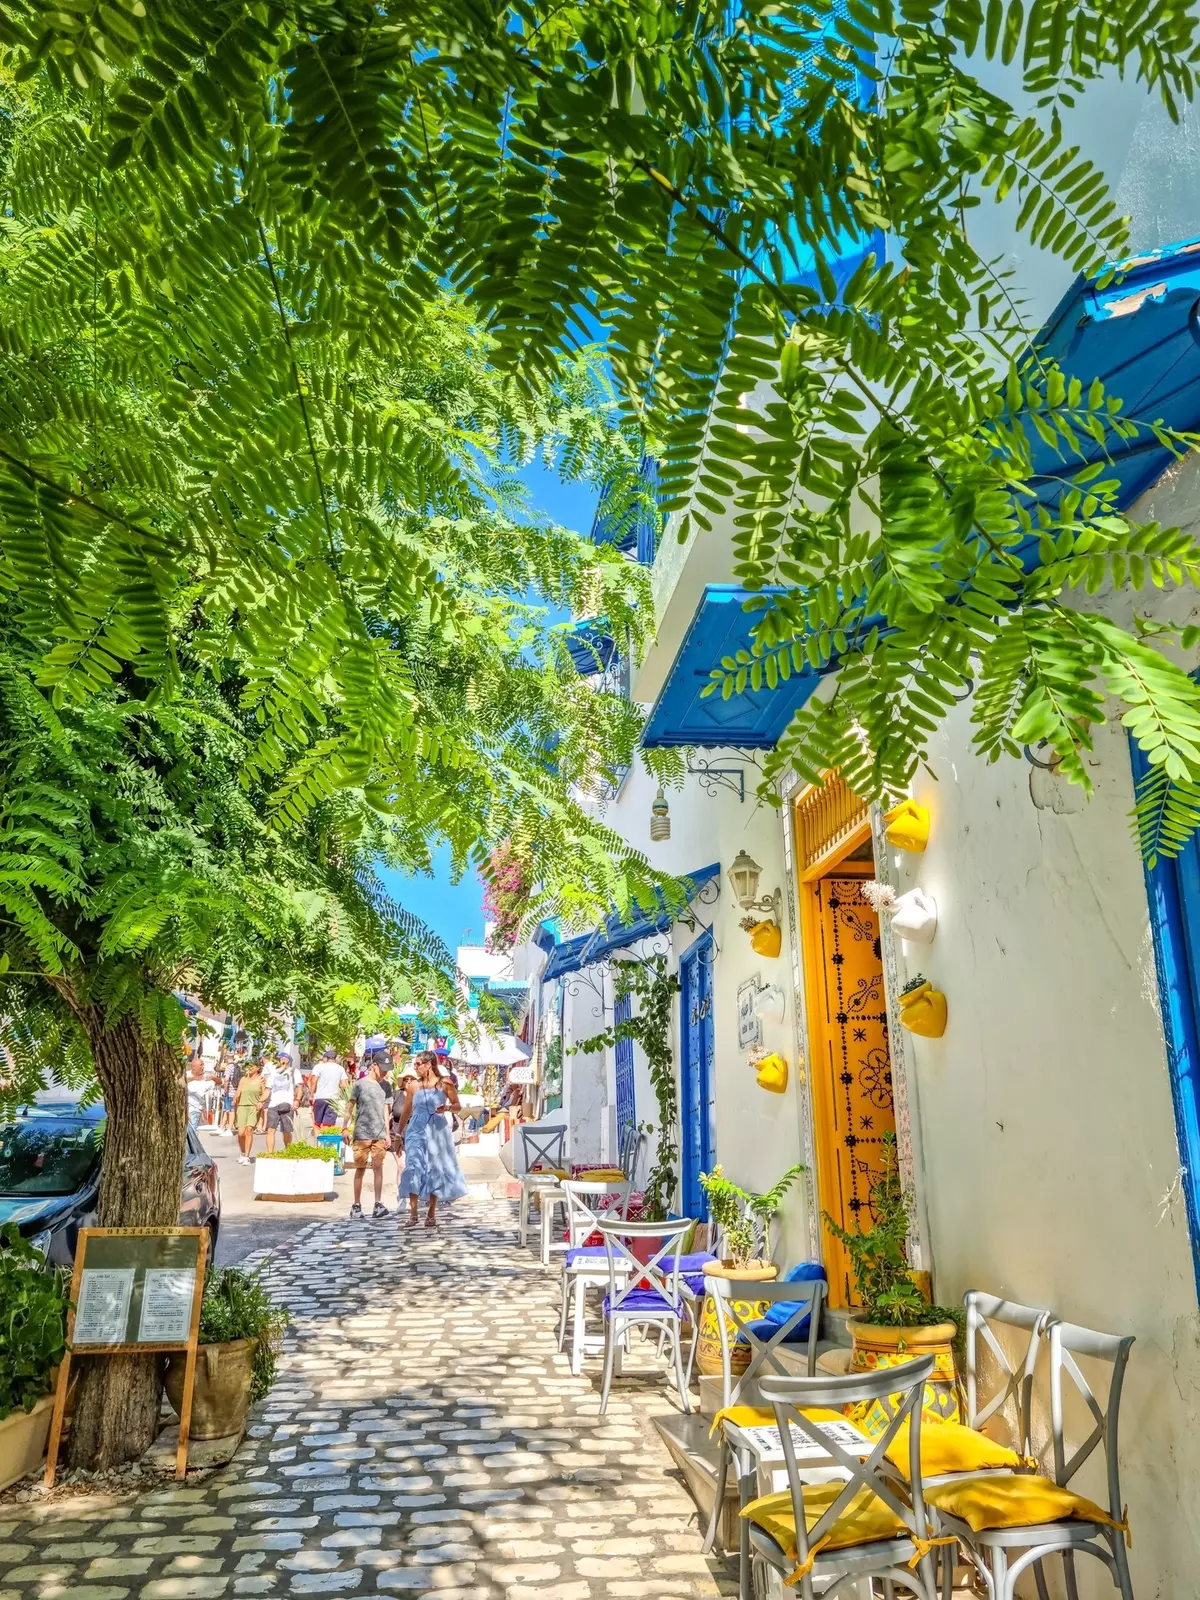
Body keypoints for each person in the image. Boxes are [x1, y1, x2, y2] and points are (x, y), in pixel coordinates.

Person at [396, 1050, 468, 1229]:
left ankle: (431, 1213)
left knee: (434, 1169)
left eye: (418, 1064)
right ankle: (413, 1214)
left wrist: (448, 1108)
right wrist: (398, 1134)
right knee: (413, 1166)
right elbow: (406, 1110)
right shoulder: (413, 1085)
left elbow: (458, 1106)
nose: (415, 1067)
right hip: (416, 1128)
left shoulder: (445, 1084)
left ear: (428, 1065)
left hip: (437, 1130)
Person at [344, 1058, 390, 1219]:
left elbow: (386, 1110)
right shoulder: (360, 1085)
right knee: (360, 1168)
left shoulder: (386, 1086)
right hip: (362, 1133)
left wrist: (388, 1133)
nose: (385, 1072)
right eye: (383, 1068)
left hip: (379, 1134)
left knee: (378, 1167)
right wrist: (345, 1127)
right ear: (374, 1066)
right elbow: (350, 1107)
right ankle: (356, 1205)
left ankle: (378, 1203)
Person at [263, 1051, 299, 1153]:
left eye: (283, 1058)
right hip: (273, 1104)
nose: (281, 1060)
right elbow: (268, 1089)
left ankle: (288, 1150)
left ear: (288, 1060)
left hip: (287, 1104)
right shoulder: (273, 1074)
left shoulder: (293, 1072)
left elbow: (299, 1087)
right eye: (279, 1059)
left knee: (286, 1131)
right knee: (270, 1129)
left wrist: (296, 1101)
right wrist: (261, 1101)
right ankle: (270, 1153)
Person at [233, 1058, 264, 1164]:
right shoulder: (243, 1079)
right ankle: (242, 1152)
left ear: (258, 1068)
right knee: (241, 1133)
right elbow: (238, 1092)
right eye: (248, 1066)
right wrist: (235, 1099)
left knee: (249, 1131)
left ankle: (247, 1156)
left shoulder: (261, 1080)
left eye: (252, 1066)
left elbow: (265, 1094)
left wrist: (261, 1103)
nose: (249, 1068)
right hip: (242, 1106)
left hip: (253, 1107)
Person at [310, 1048, 346, 1131]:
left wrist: (311, 1095)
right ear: (335, 1058)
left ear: (326, 1058)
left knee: (317, 1123)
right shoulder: (340, 1069)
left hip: (319, 1097)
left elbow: (313, 1081)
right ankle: (325, 1142)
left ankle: (317, 1143)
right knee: (328, 1124)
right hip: (333, 1099)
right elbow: (344, 1085)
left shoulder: (319, 1067)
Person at [185, 1060, 206, 1129]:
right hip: (186, 1109)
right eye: (201, 1065)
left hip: (195, 1110)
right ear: (194, 1067)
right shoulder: (186, 1075)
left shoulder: (204, 1079)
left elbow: (202, 1095)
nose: (202, 1067)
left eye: (203, 1065)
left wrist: (202, 1109)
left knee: (192, 1132)